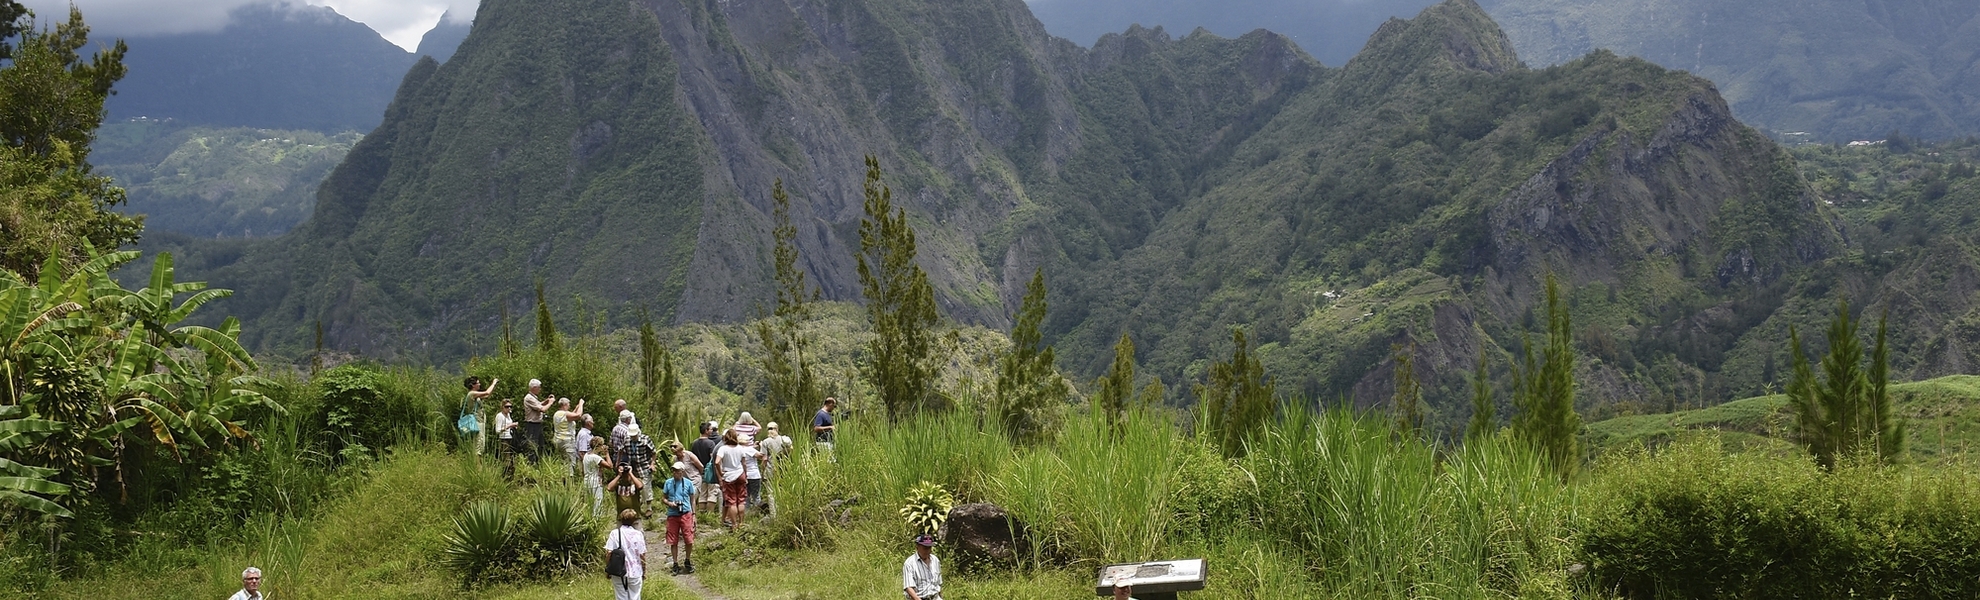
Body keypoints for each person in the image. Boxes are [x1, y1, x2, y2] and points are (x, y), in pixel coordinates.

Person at [714, 428, 758, 528]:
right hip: (740, 474)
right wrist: (745, 475)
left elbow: (717, 462)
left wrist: (720, 472)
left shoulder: (723, 448)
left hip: (729, 476)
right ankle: (741, 522)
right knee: (741, 500)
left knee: (732, 501)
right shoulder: (740, 448)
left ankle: (734, 525)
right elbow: (744, 463)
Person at [661, 460, 698, 574]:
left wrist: (694, 514)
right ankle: (675, 563)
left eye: (677, 470)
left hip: (686, 513)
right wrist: (670, 503)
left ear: (682, 471)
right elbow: (663, 498)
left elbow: (692, 499)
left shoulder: (688, 483)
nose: (675, 472)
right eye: (673, 470)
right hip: (673, 514)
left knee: (689, 539)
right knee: (673, 540)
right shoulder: (668, 482)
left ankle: (687, 560)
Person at [604, 509, 647, 600]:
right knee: (635, 596)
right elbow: (642, 555)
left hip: (618, 570)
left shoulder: (615, 533)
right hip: (635, 571)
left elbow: (609, 553)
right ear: (634, 521)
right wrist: (644, 571)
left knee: (620, 597)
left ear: (621, 519)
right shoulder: (638, 534)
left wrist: (608, 569)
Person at [689, 421, 721, 515]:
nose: (712, 431)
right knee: (712, 492)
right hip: (710, 471)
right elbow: (712, 457)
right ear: (706, 430)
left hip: (698, 471)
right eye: (710, 429)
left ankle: (702, 512)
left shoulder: (694, 443)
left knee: (702, 492)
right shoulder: (710, 443)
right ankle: (709, 514)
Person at [460, 377, 497, 455]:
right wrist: (493, 383)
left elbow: (487, 395)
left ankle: (477, 464)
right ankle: (478, 466)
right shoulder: (472, 394)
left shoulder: (474, 394)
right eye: (478, 383)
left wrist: (493, 386)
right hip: (477, 422)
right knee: (478, 445)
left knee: (480, 444)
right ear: (473, 385)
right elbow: (487, 392)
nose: (479, 384)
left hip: (479, 422)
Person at [625, 426, 659, 505]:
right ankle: (637, 504)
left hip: (644, 466)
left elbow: (654, 452)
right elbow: (621, 450)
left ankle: (648, 507)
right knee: (633, 487)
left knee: (646, 487)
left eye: (634, 435)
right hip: (632, 467)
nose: (633, 437)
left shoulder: (645, 439)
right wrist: (618, 462)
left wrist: (652, 464)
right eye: (631, 436)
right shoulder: (626, 440)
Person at [902, 534, 942, 600]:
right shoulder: (909, 563)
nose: (927, 551)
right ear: (917, 547)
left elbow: (939, 584)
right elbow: (908, 587)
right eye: (925, 548)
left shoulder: (935, 560)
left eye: (929, 548)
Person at [552, 397, 586, 476]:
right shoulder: (565, 414)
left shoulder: (558, 414)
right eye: (568, 405)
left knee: (563, 462)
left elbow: (571, 416)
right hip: (567, 442)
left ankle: (563, 479)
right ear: (564, 405)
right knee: (570, 462)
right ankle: (568, 482)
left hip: (558, 440)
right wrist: (581, 404)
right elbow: (578, 415)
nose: (569, 406)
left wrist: (576, 408)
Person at [522, 380, 548, 460]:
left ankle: (538, 463)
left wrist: (545, 401)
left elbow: (538, 405)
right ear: (534, 388)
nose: (540, 389)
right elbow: (542, 409)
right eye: (539, 387)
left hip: (537, 425)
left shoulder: (533, 397)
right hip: (532, 425)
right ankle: (532, 464)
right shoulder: (529, 398)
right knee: (532, 446)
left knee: (540, 445)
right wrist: (550, 403)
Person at [493, 400, 520, 477]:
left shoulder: (508, 415)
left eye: (510, 407)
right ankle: (505, 476)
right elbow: (498, 430)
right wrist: (510, 425)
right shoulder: (500, 416)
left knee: (513, 458)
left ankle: (511, 476)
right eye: (507, 407)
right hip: (504, 439)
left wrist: (514, 426)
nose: (509, 408)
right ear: (502, 407)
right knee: (506, 459)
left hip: (511, 438)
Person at [584, 445, 609, 518]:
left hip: (587, 481)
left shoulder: (586, 455)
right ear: (598, 446)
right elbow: (610, 466)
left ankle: (588, 519)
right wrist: (607, 454)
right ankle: (596, 521)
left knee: (589, 504)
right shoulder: (595, 457)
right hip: (595, 483)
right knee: (597, 505)